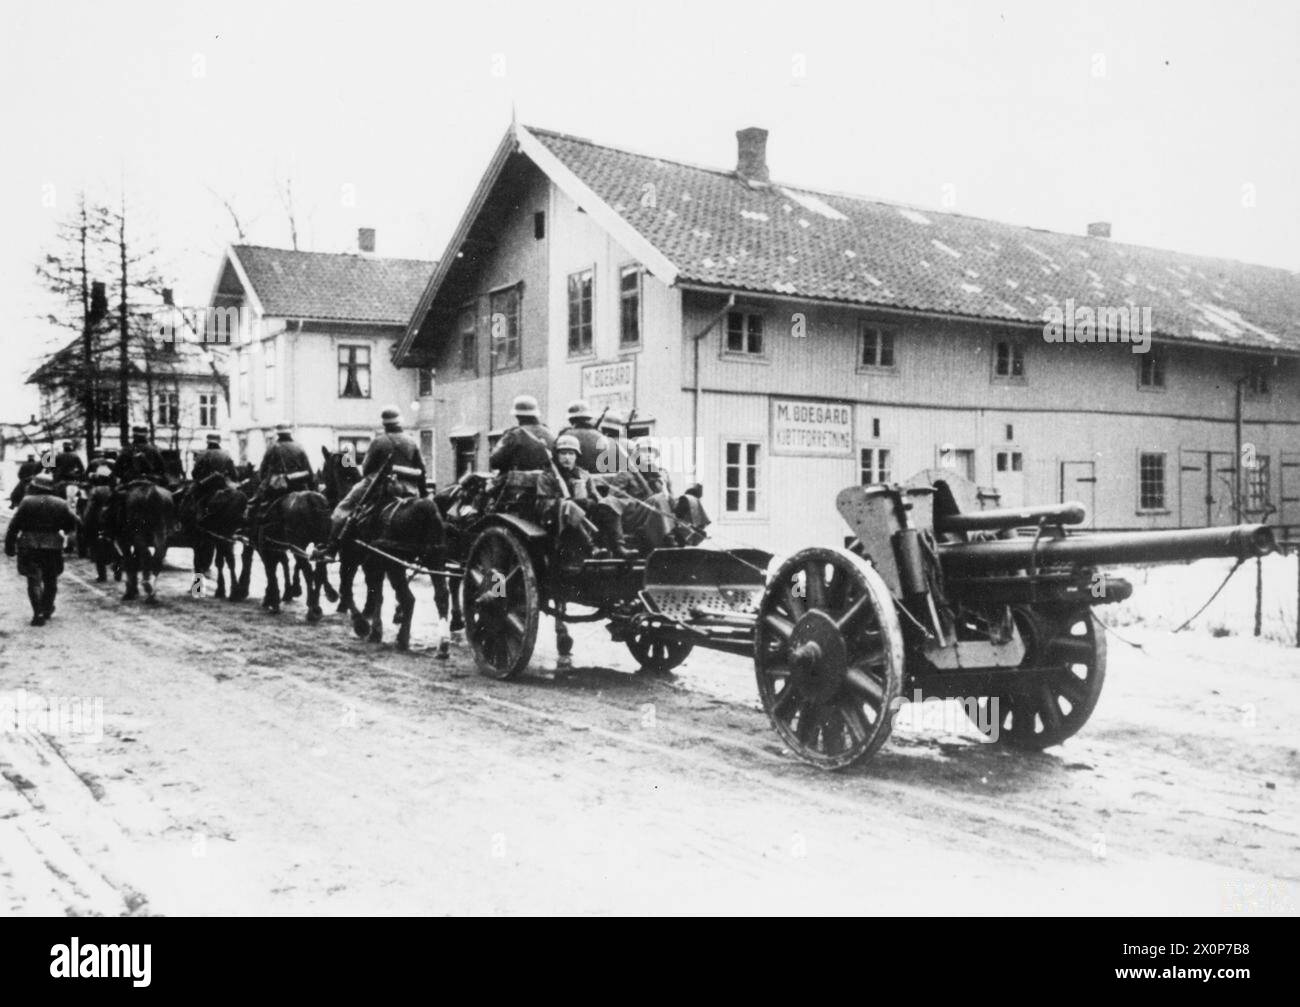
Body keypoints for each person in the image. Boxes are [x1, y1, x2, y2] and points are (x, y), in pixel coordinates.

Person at [320, 408, 426, 555]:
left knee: (342, 508)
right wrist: (424, 494)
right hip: (410, 488)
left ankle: (331, 548)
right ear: (400, 421)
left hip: (380, 485)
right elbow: (422, 469)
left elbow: (366, 468)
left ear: (384, 424)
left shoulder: (378, 441)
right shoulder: (412, 441)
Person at [5, 472, 79, 625]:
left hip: (29, 544)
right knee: (51, 579)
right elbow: (74, 523)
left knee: (33, 580)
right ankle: (46, 608)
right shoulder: (60, 503)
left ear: (34, 486)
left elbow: (14, 526)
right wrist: (69, 535)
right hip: (52, 545)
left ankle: (37, 613)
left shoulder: (26, 501)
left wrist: (9, 545)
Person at [554, 433, 636, 560]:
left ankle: (618, 546)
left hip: (586, 515)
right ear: (557, 455)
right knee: (568, 505)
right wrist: (564, 501)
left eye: (571, 454)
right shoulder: (548, 476)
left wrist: (588, 502)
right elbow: (544, 503)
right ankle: (591, 547)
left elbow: (596, 497)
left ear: (576, 456)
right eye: (563, 453)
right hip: (560, 518)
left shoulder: (583, 474)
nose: (567, 458)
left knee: (609, 502)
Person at [489, 395, 555, 473]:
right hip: (546, 482)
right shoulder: (549, 434)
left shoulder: (514, 435)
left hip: (518, 483)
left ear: (517, 416)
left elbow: (494, 462)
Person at [556, 400, 622, 475]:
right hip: (603, 483)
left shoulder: (564, 437)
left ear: (570, 419)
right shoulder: (604, 438)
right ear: (589, 418)